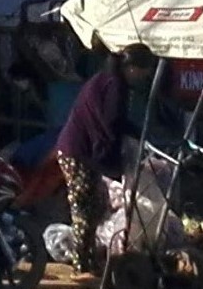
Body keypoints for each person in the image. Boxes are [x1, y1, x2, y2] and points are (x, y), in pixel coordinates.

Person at [54, 45, 149, 267]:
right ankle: (81, 263)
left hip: (82, 151)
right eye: (144, 70)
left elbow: (115, 123)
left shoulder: (108, 80)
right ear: (132, 67)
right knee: (84, 208)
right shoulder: (114, 85)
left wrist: (138, 133)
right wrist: (116, 162)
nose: (145, 76)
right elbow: (110, 124)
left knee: (96, 204)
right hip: (78, 152)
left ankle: (89, 256)